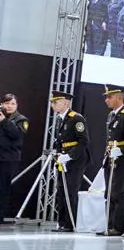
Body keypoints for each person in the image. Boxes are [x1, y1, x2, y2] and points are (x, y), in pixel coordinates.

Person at [50, 91, 90, 232]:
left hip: (76, 159)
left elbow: (83, 141)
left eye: (56, 102)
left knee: (71, 190)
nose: (52, 104)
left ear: (66, 103)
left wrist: (70, 156)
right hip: (63, 159)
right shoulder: (61, 119)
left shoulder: (76, 118)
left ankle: (70, 223)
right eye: (52, 102)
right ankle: (61, 222)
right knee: (61, 190)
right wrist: (58, 160)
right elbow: (60, 142)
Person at [98, 85, 124, 236]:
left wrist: (122, 151)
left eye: (109, 97)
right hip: (110, 156)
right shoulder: (111, 115)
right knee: (109, 192)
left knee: (118, 193)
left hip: (122, 159)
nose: (107, 100)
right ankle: (109, 224)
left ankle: (118, 227)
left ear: (119, 97)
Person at [0, 93, 28, 224]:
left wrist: (4, 121)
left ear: (17, 105)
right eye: (7, 103)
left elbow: (17, 135)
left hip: (8, 159)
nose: (9, 106)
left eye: (12, 103)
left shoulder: (21, 119)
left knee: (3, 188)